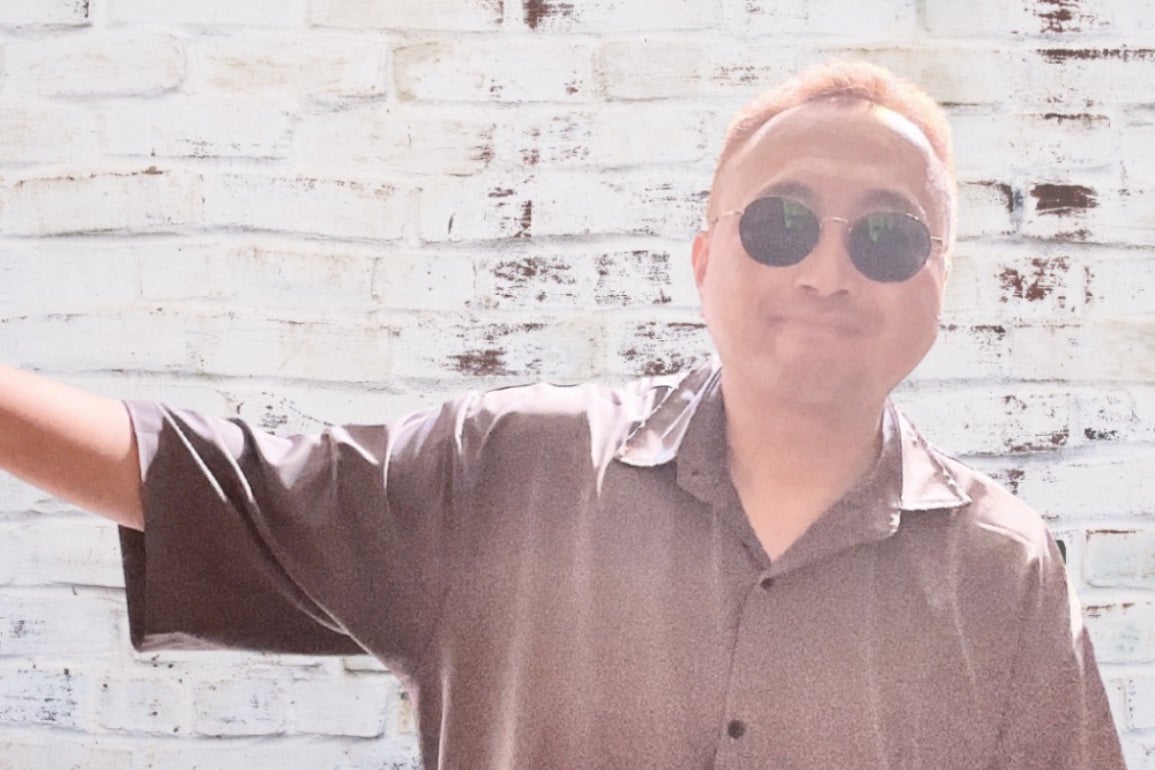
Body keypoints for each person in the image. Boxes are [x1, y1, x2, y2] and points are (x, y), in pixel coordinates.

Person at [0, 61, 1125, 768]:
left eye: (885, 236)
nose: (827, 273)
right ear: (703, 259)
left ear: (937, 285)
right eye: (781, 224)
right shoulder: (507, 469)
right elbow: (202, 480)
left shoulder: (1003, 571)